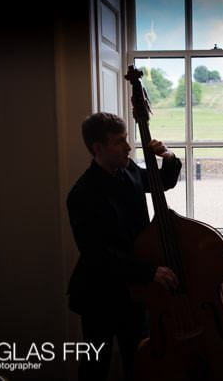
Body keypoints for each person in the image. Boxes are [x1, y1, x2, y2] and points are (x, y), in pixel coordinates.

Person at [66, 112, 181, 381]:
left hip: (133, 289)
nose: (129, 147)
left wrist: (168, 157)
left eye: (127, 139)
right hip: (98, 293)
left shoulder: (128, 170)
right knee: (95, 367)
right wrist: (148, 272)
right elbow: (98, 254)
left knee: (138, 359)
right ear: (98, 149)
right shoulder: (82, 194)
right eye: (119, 142)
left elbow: (162, 182)